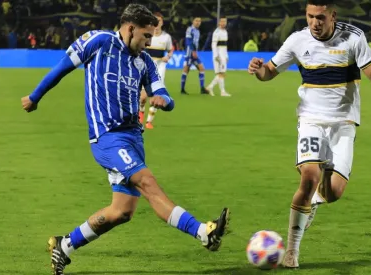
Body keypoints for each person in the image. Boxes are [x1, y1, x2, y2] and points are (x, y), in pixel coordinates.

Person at [21, 4, 230, 275]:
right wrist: (35, 97)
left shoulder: (144, 62)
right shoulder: (98, 42)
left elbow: (166, 96)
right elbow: (62, 67)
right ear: (130, 29)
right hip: (107, 138)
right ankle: (203, 232)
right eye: (146, 36)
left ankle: (65, 245)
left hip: (133, 139)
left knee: (121, 212)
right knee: (147, 182)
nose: (148, 43)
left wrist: (162, 100)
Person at [248, 0, 371, 268]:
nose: (314, 23)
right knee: (309, 177)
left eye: (320, 17)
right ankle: (291, 252)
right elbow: (269, 72)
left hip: (344, 123)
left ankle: (315, 202)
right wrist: (258, 70)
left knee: (333, 192)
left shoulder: (354, 38)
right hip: (310, 120)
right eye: (310, 16)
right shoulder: (297, 40)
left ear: (332, 15)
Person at [139, 12, 174, 129]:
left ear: (162, 22)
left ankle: (149, 121)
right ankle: (139, 119)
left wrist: (168, 57)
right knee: (142, 98)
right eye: (155, 20)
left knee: (157, 95)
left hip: (160, 68)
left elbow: (171, 49)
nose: (157, 22)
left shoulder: (166, 37)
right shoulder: (147, 35)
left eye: (159, 20)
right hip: (146, 68)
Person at [180, 17, 213, 95]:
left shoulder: (197, 31)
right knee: (186, 70)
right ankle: (182, 89)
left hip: (194, 53)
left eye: (199, 21)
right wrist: (193, 51)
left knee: (202, 68)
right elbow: (189, 41)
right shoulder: (190, 29)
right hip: (189, 53)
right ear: (193, 21)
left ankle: (202, 88)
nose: (198, 22)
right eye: (196, 21)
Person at [206, 17, 231, 97]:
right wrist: (216, 55)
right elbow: (213, 45)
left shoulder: (225, 32)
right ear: (219, 22)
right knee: (221, 73)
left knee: (221, 74)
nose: (224, 23)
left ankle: (214, 89)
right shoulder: (216, 32)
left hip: (223, 55)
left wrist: (226, 55)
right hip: (218, 56)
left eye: (225, 21)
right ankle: (217, 90)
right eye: (222, 21)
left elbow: (225, 45)